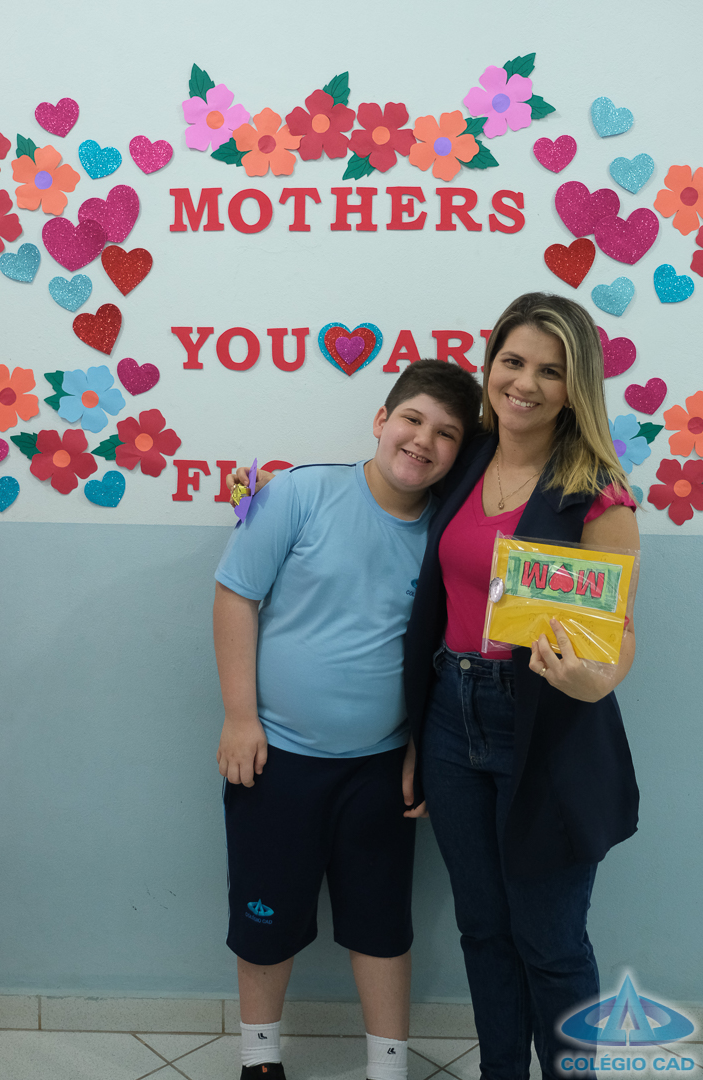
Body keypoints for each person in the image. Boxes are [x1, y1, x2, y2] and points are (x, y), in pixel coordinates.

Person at [213, 360, 481, 1080]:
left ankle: (388, 1066)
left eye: (447, 434)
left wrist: (420, 749)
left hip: (381, 769)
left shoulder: (448, 536)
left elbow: (444, 653)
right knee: (265, 917)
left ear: (460, 452)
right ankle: (259, 1057)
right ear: (381, 419)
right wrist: (239, 717)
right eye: (412, 419)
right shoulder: (299, 494)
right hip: (275, 758)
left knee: (381, 923)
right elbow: (236, 595)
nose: (423, 440)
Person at [403, 293, 640, 1080]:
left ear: (577, 388)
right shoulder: (467, 457)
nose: (526, 383)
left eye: (551, 370)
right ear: (491, 365)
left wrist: (593, 680)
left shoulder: (596, 492)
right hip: (449, 715)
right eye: (513, 361)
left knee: (551, 941)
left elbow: (620, 635)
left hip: (546, 725)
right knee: (484, 929)